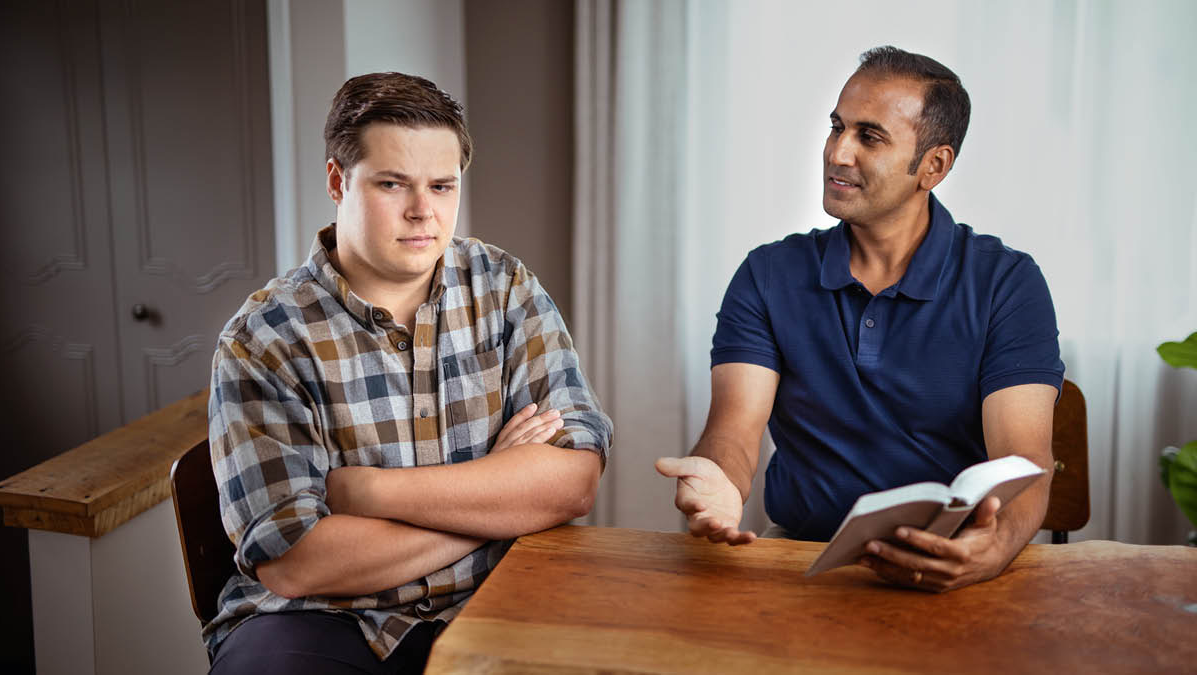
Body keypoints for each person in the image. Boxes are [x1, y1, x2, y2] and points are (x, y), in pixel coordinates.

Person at [205, 72, 611, 673]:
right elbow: (298, 563)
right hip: (318, 619)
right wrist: (499, 499)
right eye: (393, 184)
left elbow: (572, 482)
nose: (424, 211)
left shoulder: (504, 287)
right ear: (338, 181)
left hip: (497, 596)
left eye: (442, 186)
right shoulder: (265, 338)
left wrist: (368, 492)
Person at [657, 46, 1062, 593]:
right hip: (802, 556)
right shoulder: (768, 273)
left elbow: (1024, 462)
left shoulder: (1007, 283)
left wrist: (991, 553)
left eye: (869, 137)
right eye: (836, 127)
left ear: (934, 166)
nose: (837, 152)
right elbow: (733, 431)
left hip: (955, 563)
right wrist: (720, 482)